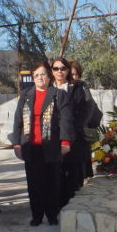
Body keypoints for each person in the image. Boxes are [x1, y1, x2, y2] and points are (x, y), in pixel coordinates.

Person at [10, 60, 74, 226]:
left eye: (43, 74)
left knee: (52, 184)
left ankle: (52, 215)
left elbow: (65, 120)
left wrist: (65, 141)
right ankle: (36, 216)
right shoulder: (26, 95)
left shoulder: (58, 94)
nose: (40, 78)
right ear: (33, 77)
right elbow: (18, 121)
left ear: (49, 76)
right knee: (34, 184)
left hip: (51, 147)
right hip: (30, 147)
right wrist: (16, 144)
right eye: (36, 75)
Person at [52, 57, 93, 206]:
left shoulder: (77, 89)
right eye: (56, 69)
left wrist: (72, 127)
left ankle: (72, 206)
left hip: (74, 138)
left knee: (74, 175)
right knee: (57, 175)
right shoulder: (50, 89)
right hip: (54, 139)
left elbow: (86, 110)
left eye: (63, 68)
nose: (59, 71)